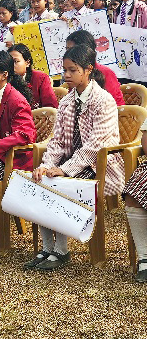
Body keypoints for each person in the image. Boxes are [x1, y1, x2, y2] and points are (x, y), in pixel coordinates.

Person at [31, 46, 122, 272]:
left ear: (88, 70)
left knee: (57, 183)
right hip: (74, 161)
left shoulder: (104, 100)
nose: (67, 75)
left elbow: (97, 145)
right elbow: (58, 141)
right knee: (42, 179)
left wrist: (65, 169)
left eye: (72, 70)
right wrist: (47, 165)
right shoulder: (66, 102)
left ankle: (62, 250)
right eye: (65, 70)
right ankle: (48, 246)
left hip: (100, 165)